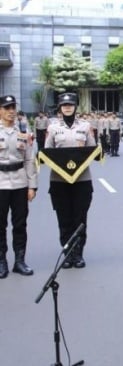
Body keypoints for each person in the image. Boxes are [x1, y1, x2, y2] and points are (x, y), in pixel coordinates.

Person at [44, 93, 96, 269]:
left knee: (80, 218)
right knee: (64, 217)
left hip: (82, 180)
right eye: (64, 104)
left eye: (70, 104)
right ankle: (67, 253)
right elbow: (47, 152)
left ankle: (78, 253)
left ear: (76, 106)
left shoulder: (86, 126)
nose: (67, 107)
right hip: (59, 181)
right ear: (59, 107)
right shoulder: (52, 128)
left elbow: (92, 150)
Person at [0, 95, 37, 278]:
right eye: (7, 108)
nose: (11, 111)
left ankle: (19, 261)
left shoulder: (23, 129)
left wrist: (32, 186)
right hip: (0, 183)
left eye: (13, 107)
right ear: (0, 110)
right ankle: (1, 261)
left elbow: (30, 159)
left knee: (20, 224)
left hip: (20, 182)